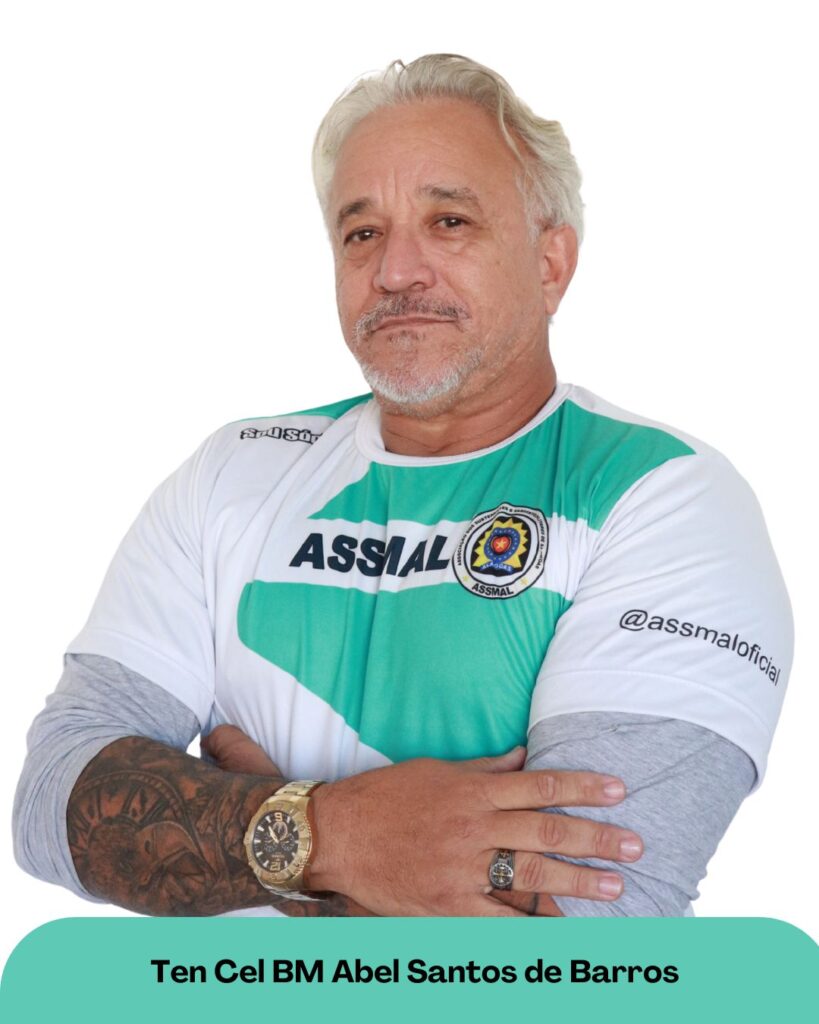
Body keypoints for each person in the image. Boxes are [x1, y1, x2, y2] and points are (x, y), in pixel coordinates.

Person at [13, 54, 791, 918]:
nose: (394, 271)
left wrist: (259, 834)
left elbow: (591, 931)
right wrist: (337, 833)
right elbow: (53, 805)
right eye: (361, 233)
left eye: (448, 221)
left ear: (550, 264)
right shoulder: (232, 475)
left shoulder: (661, 497)